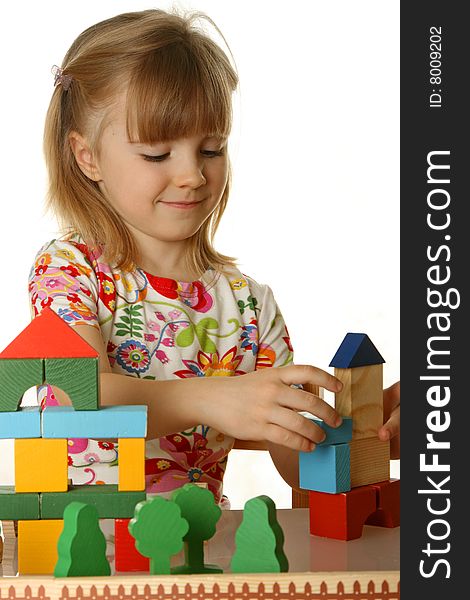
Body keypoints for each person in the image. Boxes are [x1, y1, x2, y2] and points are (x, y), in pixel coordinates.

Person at [28, 8, 400, 504]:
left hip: (201, 556)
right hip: (87, 555)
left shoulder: (249, 305)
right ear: (86, 156)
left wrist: (361, 434)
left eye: (211, 149)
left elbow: (293, 459)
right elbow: (83, 395)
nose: (192, 175)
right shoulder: (70, 269)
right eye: (158, 154)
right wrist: (210, 397)